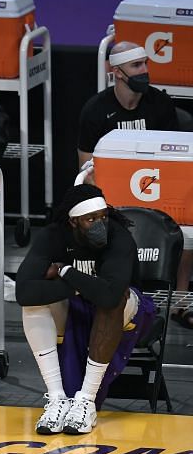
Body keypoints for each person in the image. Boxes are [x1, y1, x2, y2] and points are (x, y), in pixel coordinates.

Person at [16, 184, 156, 435]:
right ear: (73, 222)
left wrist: (65, 272)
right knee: (33, 305)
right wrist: (80, 288)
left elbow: (111, 295)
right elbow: (23, 292)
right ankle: (57, 398)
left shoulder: (119, 237)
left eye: (103, 216)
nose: (100, 224)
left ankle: (86, 401)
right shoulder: (52, 236)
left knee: (112, 302)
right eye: (91, 219)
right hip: (78, 302)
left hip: (126, 307)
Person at [77, 41, 192, 293]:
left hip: (161, 188)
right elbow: (86, 169)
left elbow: (176, 158)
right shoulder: (95, 110)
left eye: (145, 64)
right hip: (115, 195)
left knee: (188, 229)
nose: (144, 71)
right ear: (118, 72)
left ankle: (181, 299)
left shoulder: (160, 103)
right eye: (136, 65)